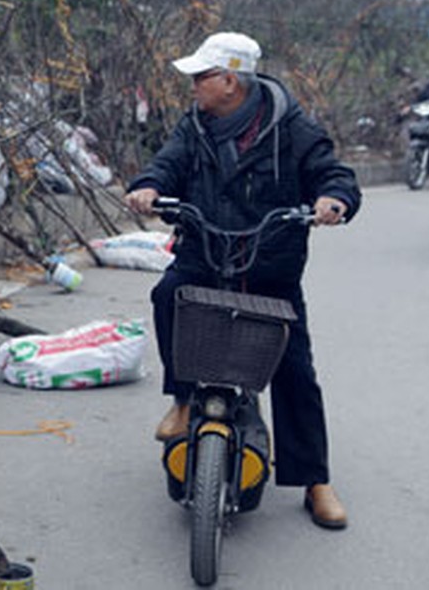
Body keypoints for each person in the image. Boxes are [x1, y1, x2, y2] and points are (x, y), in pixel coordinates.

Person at [123, 31, 361, 531]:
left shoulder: (291, 127)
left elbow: (332, 173)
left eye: (200, 77)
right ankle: (184, 402)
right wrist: (148, 186)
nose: (192, 86)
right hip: (204, 255)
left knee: (295, 371)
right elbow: (168, 163)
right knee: (168, 293)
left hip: (269, 265)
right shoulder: (196, 125)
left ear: (230, 81)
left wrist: (333, 201)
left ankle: (315, 480)